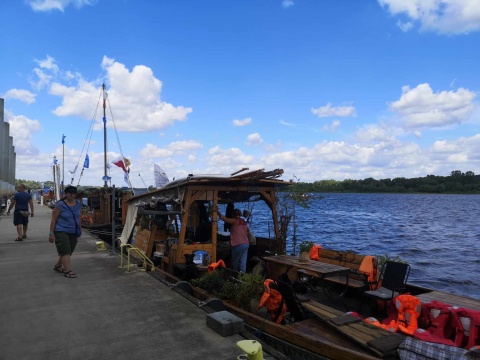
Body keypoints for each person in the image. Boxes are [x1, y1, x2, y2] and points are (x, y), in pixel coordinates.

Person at [49, 185, 82, 278]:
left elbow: (79, 217)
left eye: (74, 193)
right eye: (70, 193)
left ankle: (58, 266)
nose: (72, 195)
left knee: (69, 250)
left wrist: (79, 228)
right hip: (61, 230)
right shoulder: (60, 204)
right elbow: (53, 219)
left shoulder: (78, 204)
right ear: (66, 194)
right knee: (65, 250)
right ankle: (68, 271)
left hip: (73, 231)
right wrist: (51, 233)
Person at [218, 208, 249, 273]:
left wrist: (218, 213)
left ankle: (234, 274)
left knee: (235, 262)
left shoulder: (235, 221)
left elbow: (225, 219)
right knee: (243, 262)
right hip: (246, 244)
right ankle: (243, 277)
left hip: (238, 244)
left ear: (233, 214)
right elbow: (247, 232)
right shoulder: (243, 221)